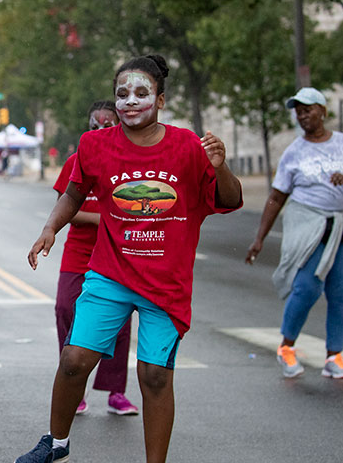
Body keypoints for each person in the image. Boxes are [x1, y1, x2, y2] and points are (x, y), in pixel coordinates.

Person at [19, 55, 242, 463]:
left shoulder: (188, 147)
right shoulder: (94, 145)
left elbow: (230, 199)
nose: (130, 101)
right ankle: (56, 444)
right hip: (111, 273)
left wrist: (220, 166)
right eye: (122, 93)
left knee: (153, 375)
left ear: (160, 99)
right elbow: (73, 192)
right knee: (73, 359)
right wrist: (51, 228)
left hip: (165, 281)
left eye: (141, 93)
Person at [245, 87, 343, 379]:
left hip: (338, 227)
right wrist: (260, 237)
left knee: (339, 292)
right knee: (307, 287)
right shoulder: (294, 153)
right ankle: (286, 347)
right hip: (307, 226)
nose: (303, 115)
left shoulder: (341, 143)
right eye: (298, 111)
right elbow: (277, 197)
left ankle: (334, 354)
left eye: (308, 109)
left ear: (323, 111)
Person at [52, 100, 138, 416]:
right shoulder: (77, 161)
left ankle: (116, 392)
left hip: (117, 255)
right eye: (94, 126)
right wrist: (104, 219)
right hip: (78, 254)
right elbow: (67, 210)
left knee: (119, 323)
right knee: (65, 308)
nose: (100, 131)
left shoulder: (129, 164)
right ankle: (74, 384)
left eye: (107, 126)